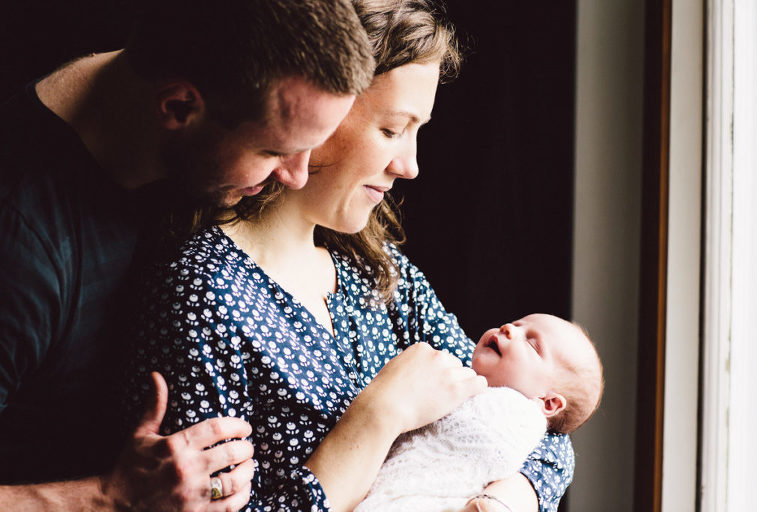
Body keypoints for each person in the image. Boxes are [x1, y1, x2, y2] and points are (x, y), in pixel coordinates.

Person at [124, 1, 575, 511]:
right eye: (391, 129)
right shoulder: (200, 291)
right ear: (320, 111)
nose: (410, 166)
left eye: (417, 130)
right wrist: (379, 415)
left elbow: (537, 416)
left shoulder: (381, 275)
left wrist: (511, 497)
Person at [0, 0, 374, 510]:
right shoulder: (23, 252)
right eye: (273, 151)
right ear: (178, 108)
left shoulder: (156, 85)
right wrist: (110, 496)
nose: (297, 177)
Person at [356, 314, 604, 512]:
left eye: (530, 342)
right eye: (517, 324)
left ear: (548, 404)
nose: (508, 328)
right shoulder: (460, 377)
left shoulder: (518, 416)